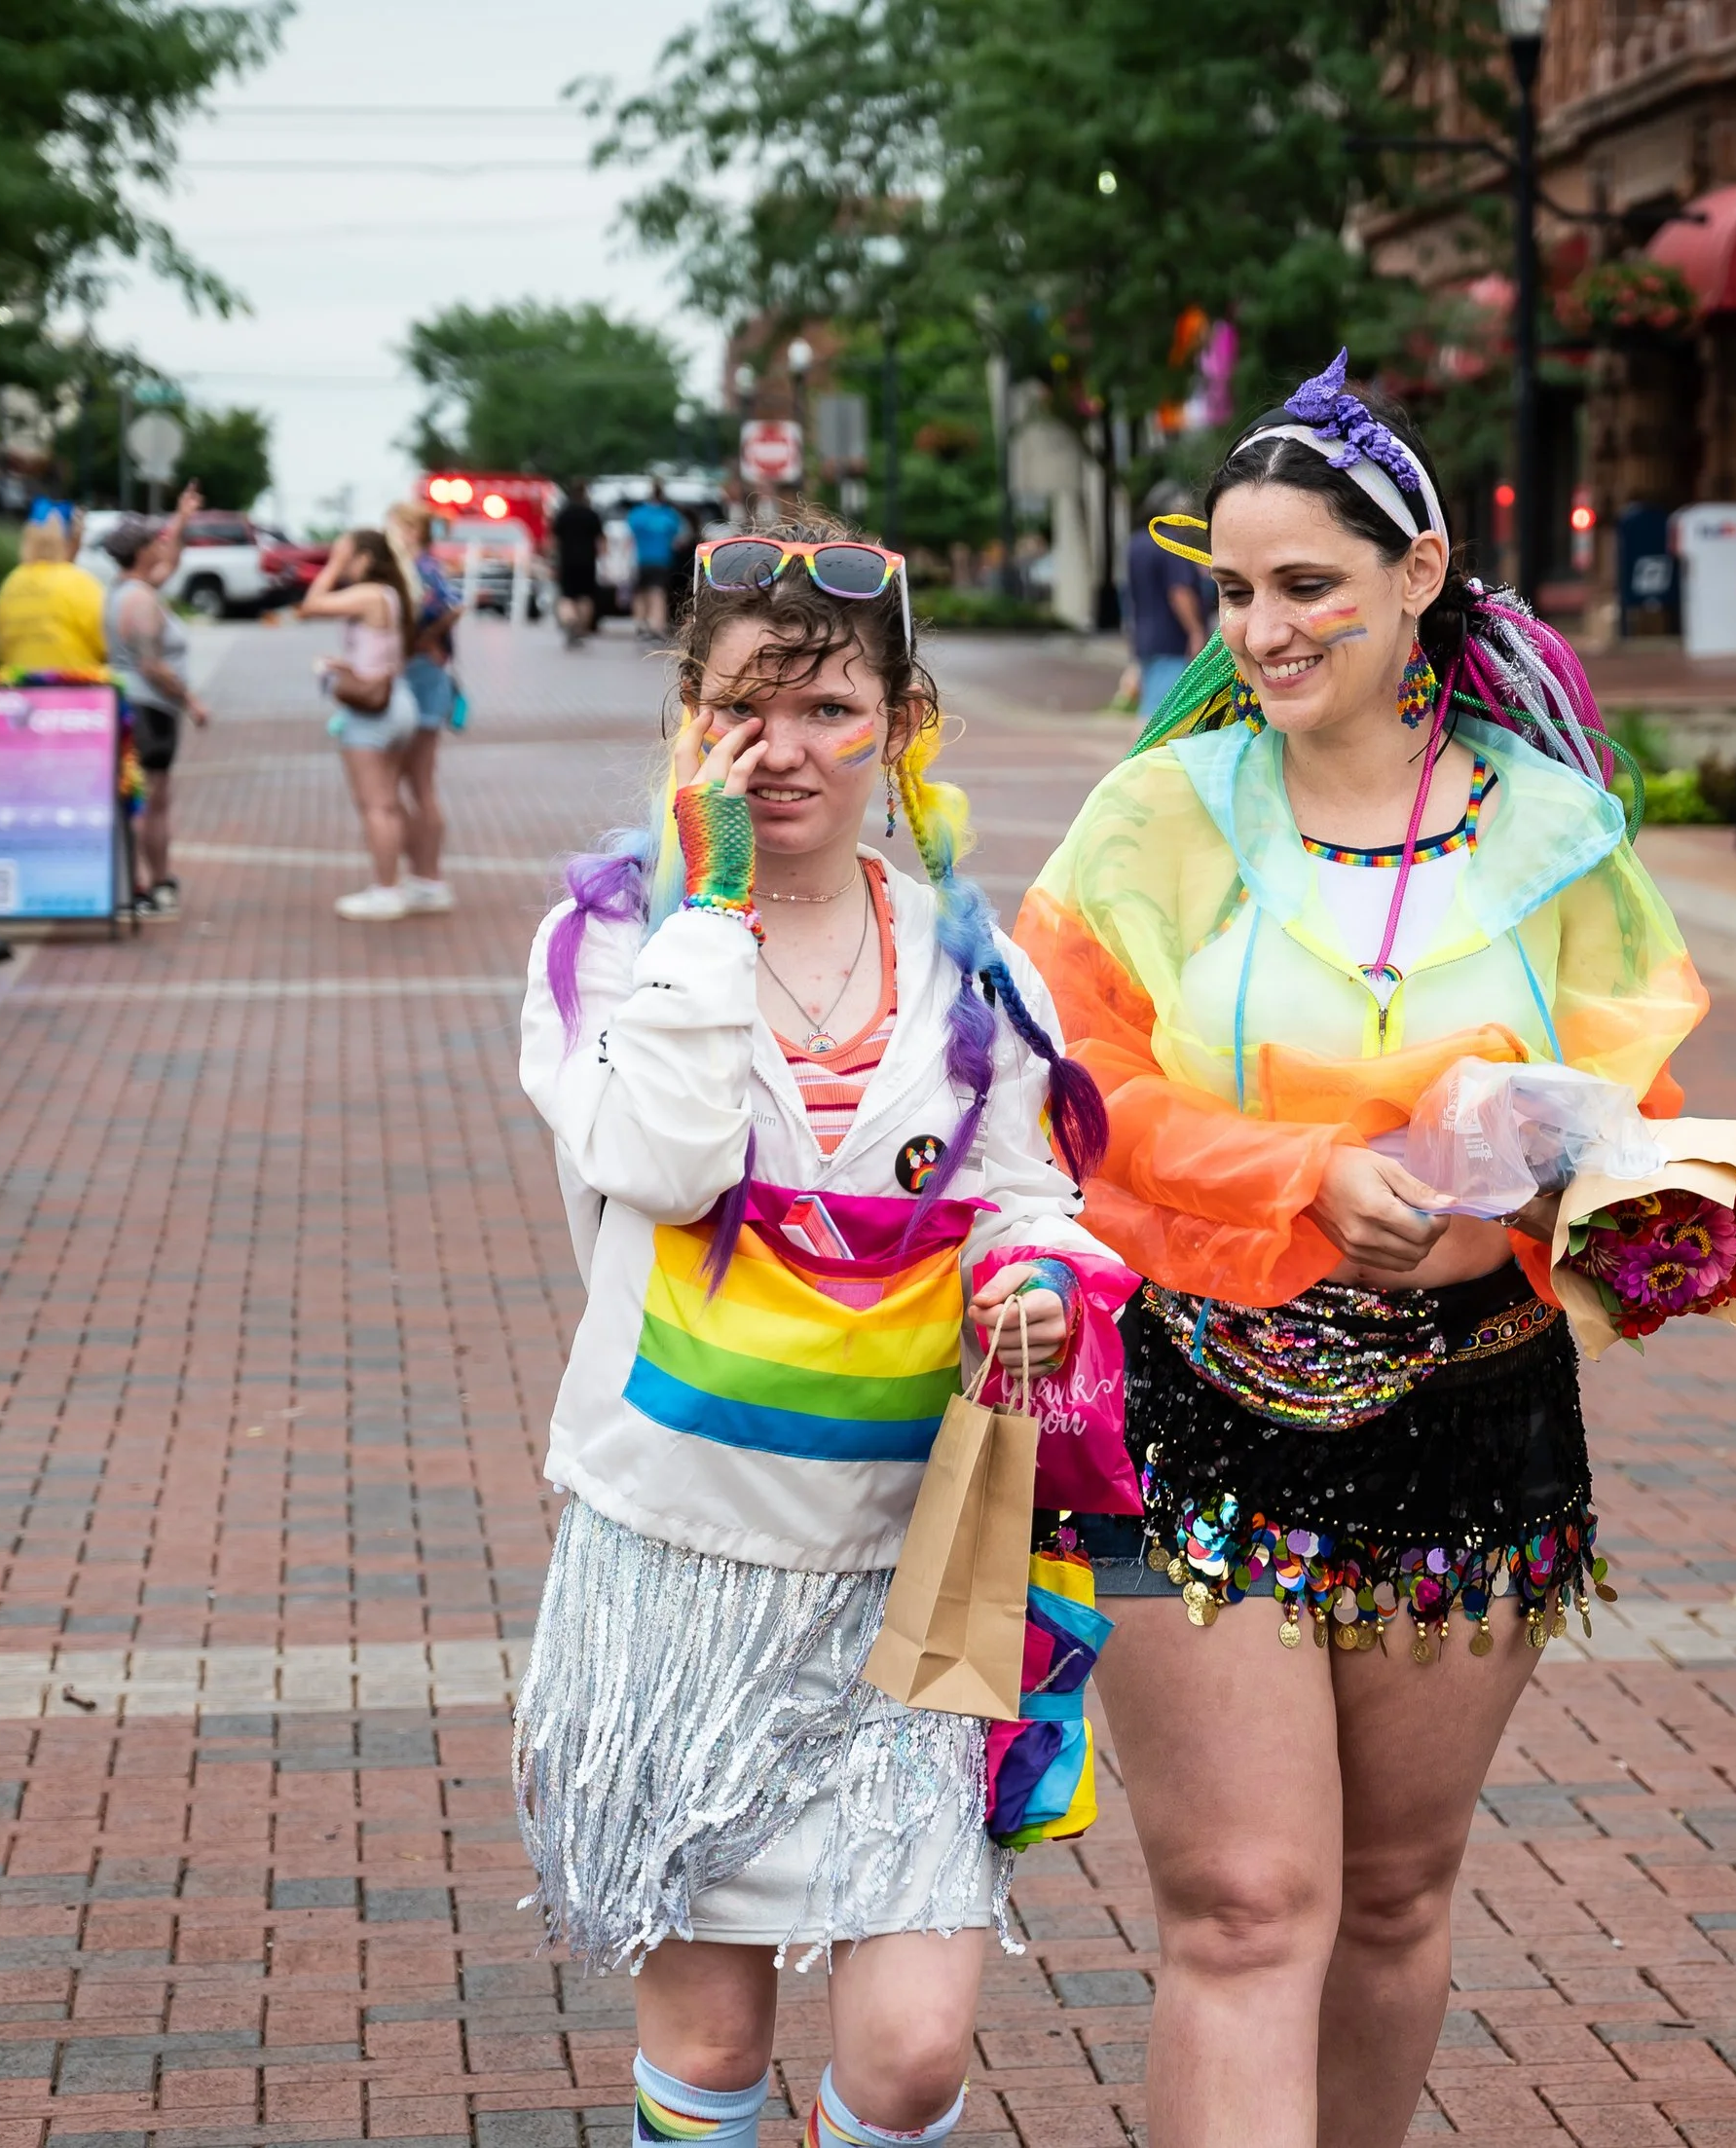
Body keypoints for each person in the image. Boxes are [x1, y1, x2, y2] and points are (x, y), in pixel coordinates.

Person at [1015, 353, 1709, 2148]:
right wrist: (1303, 1176)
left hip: (1475, 1423)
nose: (1260, 627)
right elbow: (1065, 1088)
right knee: (1246, 1909)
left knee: (1396, 1897)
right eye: (1232, 590)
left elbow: (1631, 1103)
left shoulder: (1554, 835)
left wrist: (1526, 1235)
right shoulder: (1153, 822)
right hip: (1194, 1411)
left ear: (1419, 577)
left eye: (1304, 584)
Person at [513, 508, 1114, 2148]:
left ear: (899, 730)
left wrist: (1040, 1280)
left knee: (914, 2050)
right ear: (683, 724)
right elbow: (667, 1157)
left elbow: (1030, 1192)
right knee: (708, 2049)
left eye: (829, 709)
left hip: (911, 1565)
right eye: (737, 709)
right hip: (680, 1563)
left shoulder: (970, 965)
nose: (779, 750)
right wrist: (709, 914)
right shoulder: (608, 953)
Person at [100, 485, 209, 919]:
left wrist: (181, 517)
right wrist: (191, 701)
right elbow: (153, 666)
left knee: (145, 799)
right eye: (154, 540)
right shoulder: (140, 601)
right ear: (142, 551)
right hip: (150, 710)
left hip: (138, 707)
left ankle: (145, 883)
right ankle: (150, 885)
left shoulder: (127, 588)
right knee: (151, 801)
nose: (161, 545)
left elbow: (172, 560)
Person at [299, 529, 415, 922]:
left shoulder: (370, 593)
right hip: (395, 699)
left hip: (371, 711)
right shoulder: (390, 594)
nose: (341, 564)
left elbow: (311, 605)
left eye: (346, 556)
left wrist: (330, 566)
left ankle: (386, 890)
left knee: (376, 807)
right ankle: (391, 885)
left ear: (365, 558)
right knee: (389, 803)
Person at [386, 500, 462, 915]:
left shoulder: (418, 567)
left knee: (414, 781)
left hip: (419, 674)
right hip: (423, 674)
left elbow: (453, 605)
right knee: (416, 782)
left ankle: (426, 875)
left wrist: (423, 639)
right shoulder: (421, 566)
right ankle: (423, 874)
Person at [1126, 478, 1212, 724]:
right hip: (1172, 640)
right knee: (1160, 715)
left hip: (1144, 635)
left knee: (1152, 703)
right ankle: (1143, 761)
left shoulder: (1138, 542)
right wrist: (1195, 631)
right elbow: (1179, 592)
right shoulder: (1170, 542)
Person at [0, 505, 107, 673]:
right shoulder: (78, 582)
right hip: (73, 690)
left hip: (21, 690)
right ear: (72, 541)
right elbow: (105, 644)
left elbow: (0, 650)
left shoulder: (12, 581)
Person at [627, 479, 687, 645]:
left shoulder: (637, 513)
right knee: (658, 593)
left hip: (642, 559)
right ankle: (657, 626)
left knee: (640, 593)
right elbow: (679, 539)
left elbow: (630, 535)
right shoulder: (669, 515)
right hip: (662, 560)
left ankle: (640, 624)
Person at [553, 479, 604, 647]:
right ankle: (581, 628)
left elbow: (553, 540)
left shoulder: (563, 514)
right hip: (588, 561)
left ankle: (570, 620)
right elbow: (601, 542)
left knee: (566, 596)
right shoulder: (592, 515)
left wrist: (551, 558)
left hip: (567, 560)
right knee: (585, 597)